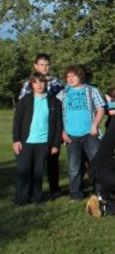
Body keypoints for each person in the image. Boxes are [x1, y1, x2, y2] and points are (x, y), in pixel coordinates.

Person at [18, 54, 64, 198]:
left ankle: (54, 189)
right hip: (34, 131)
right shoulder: (29, 84)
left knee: (52, 162)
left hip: (51, 127)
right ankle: (29, 192)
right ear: (35, 66)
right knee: (32, 165)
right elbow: (23, 106)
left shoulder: (56, 83)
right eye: (41, 65)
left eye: (47, 65)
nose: (44, 68)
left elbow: (61, 104)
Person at [58, 65, 106, 200]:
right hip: (71, 136)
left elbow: (101, 108)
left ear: (81, 76)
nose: (70, 79)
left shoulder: (92, 90)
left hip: (90, 134)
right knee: (74, 168)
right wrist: (63, 132)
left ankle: (100, 192)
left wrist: (95, 126)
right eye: (68, 76)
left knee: (96, 163)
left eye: (73, 75)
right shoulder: (64, 93)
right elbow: (59, 114)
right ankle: (75, 194)